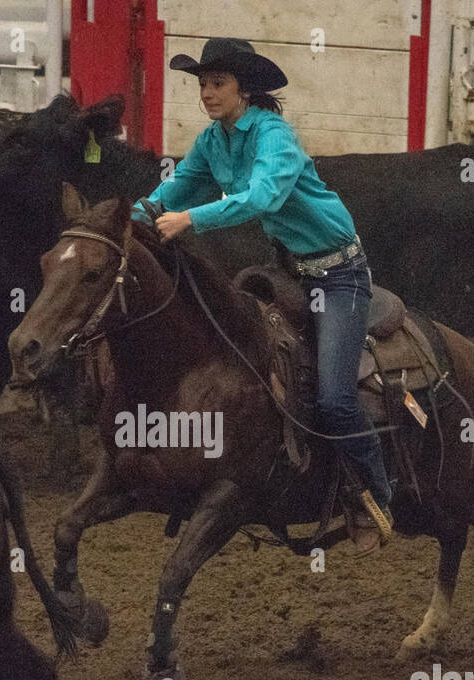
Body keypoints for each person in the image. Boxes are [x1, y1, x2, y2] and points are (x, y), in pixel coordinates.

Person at [132, 37, 393, 555]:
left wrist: (190, 219)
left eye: (218, 83)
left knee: (337, 399)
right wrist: (125, 221)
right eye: (203, 84)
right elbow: (174, 188)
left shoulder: (275, 136)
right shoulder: (213, 140)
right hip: (289, 270)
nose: (207, 93)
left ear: (244, 90)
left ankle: (377, 496)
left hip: (339, 275)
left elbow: (263, 196)